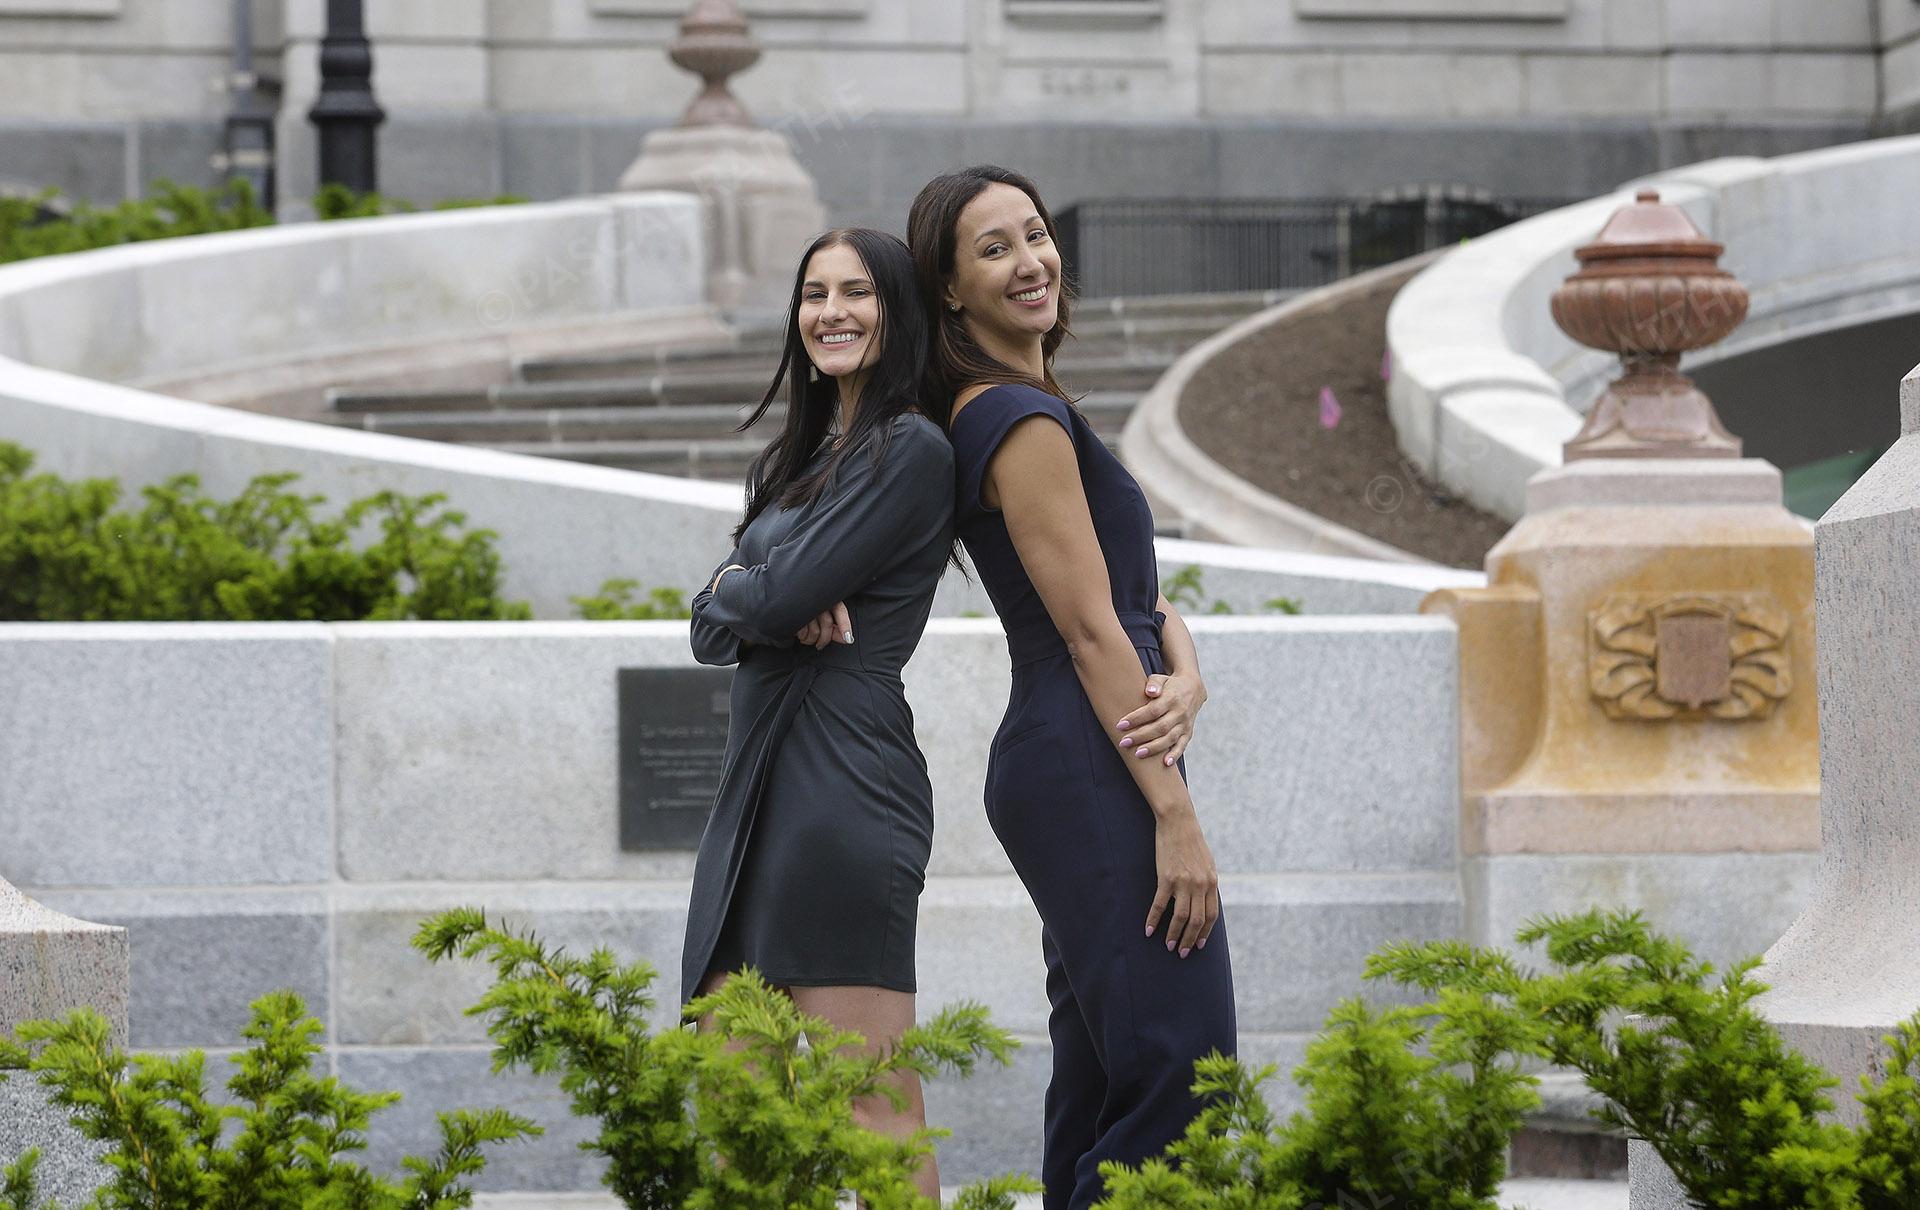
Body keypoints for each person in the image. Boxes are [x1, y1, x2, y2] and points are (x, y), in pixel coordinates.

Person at [907, 166, 1237, 1209]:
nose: (1029, 260)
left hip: (1091, 745)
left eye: (1036, 234)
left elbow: (1132, 602)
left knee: (1106, 1075)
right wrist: (1175, 814)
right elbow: (1091, 628)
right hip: (1091, 754)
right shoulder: (1017, 419)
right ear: (950, 292)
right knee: (1179, 1071)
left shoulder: (1031, 409)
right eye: (993, 248)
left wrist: (1186, 669)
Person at [682, 227, 954, 1197]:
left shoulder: (912, 450)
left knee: (869, 1105)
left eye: (858, 292)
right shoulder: (791, 461)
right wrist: (752, 593)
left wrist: (753, 590)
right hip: (750, 792)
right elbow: (714, 623)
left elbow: (767, 598)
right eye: (813, 293)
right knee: (737, 1099)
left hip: (845, 787)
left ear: (899, 312)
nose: (830, 312)